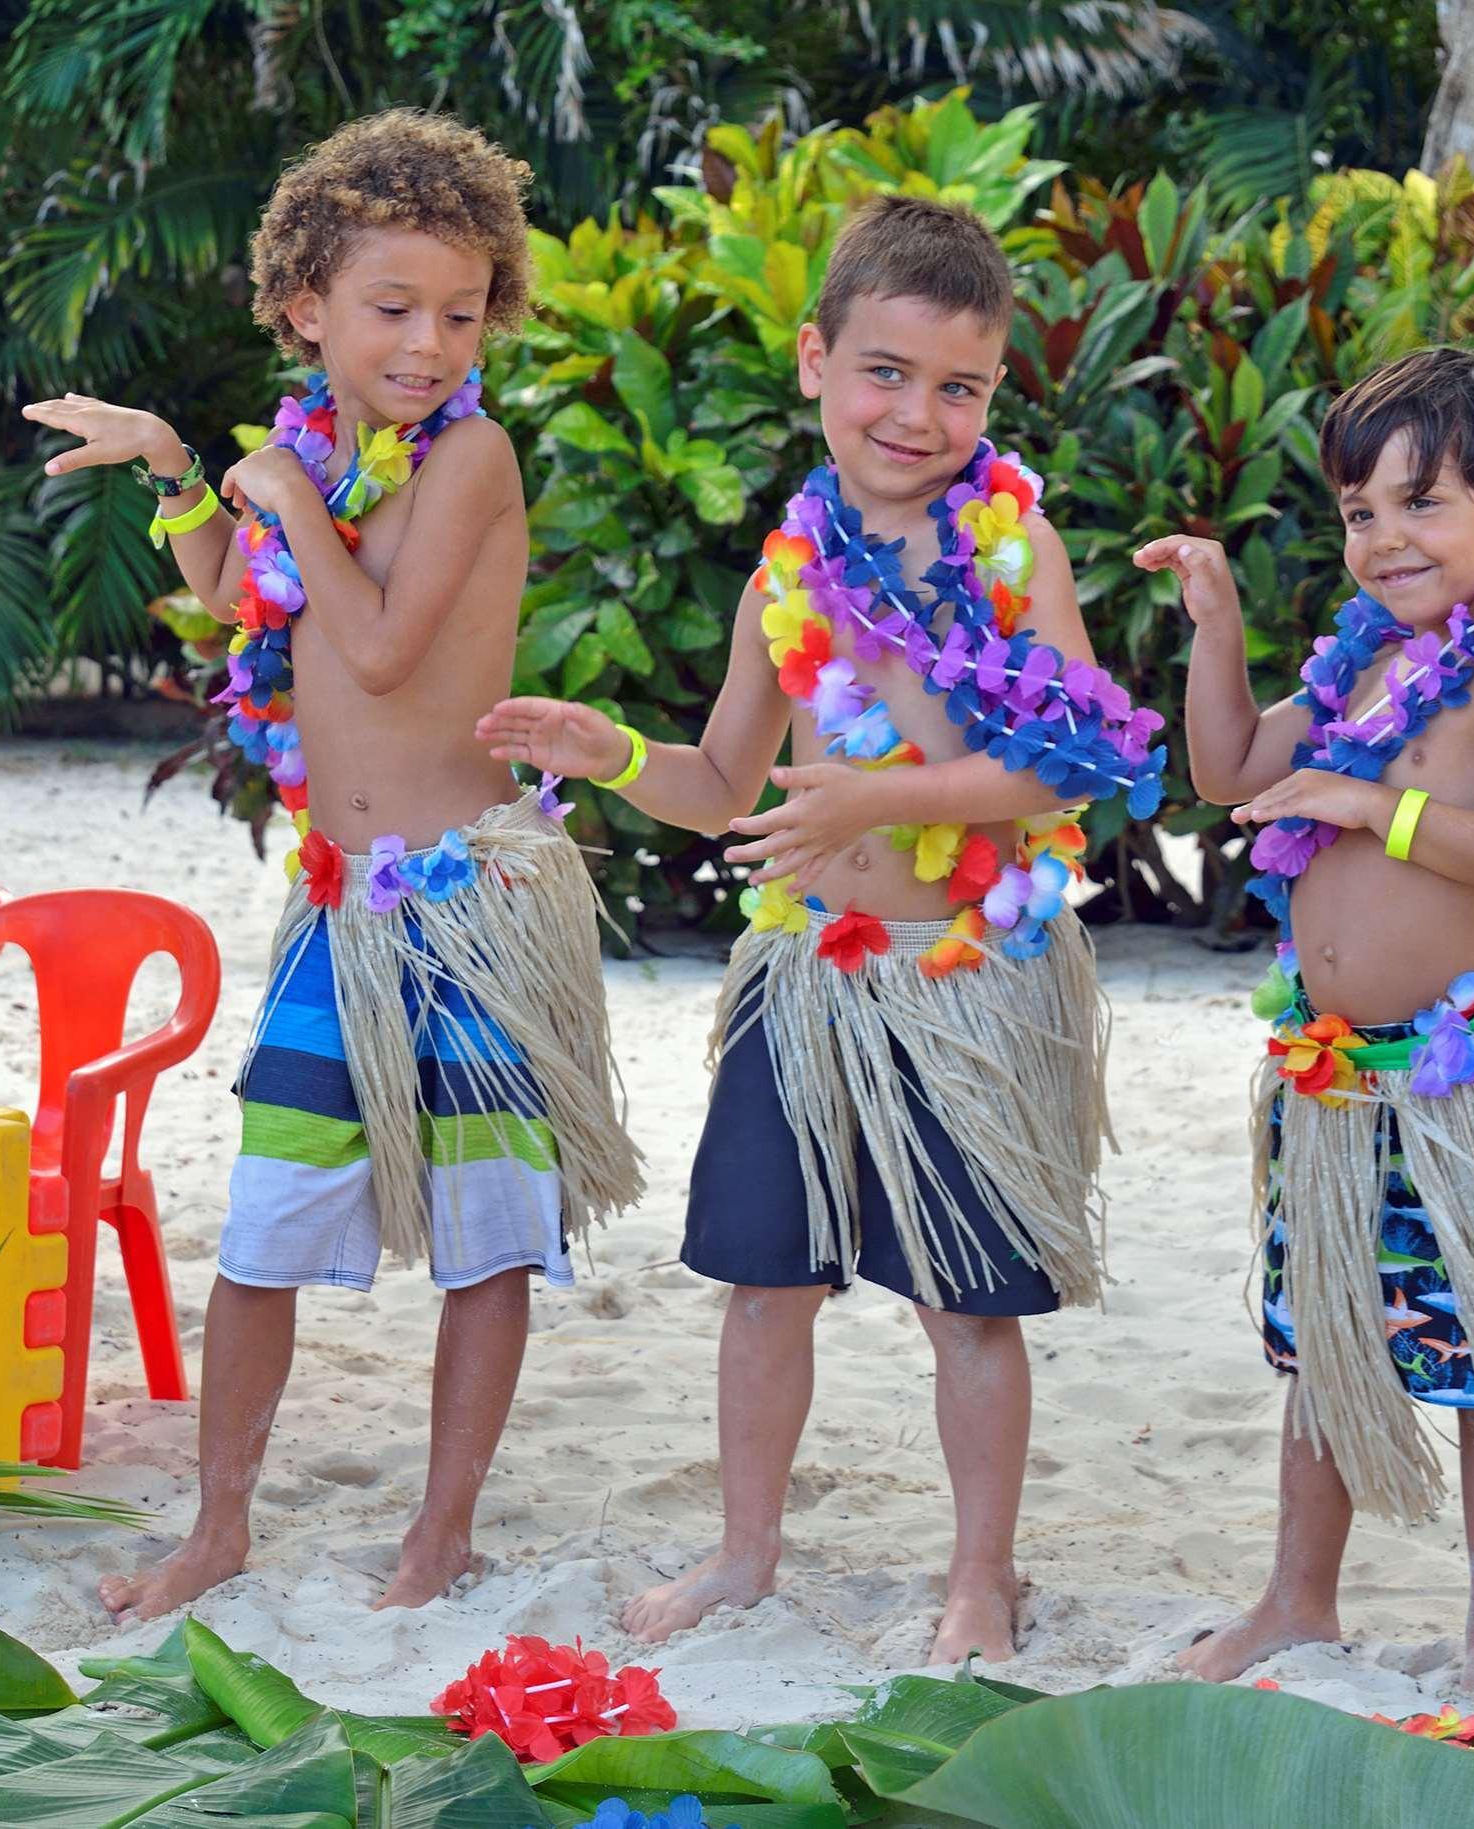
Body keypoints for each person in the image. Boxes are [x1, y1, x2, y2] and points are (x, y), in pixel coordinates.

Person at [482, 195, 1166, 1661]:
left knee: (967, 1307)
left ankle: (980, 1574)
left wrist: (879, 795)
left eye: (958, 386)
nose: (916, 414)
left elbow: (1072, 761)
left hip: (966, 977)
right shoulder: (783, 578)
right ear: (815, 359)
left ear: (991, 394)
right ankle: (745, 1550)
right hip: (806, 977)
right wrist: (606, 750)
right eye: (885, 372)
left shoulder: (1009, 550)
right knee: (761, 1282)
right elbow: (722, 782)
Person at [22, 108, 645, 1623]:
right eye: (390, 310)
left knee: (485, 1241)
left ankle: (441, 1531)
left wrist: (281, 489)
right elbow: (245, 592)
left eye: (457, 311)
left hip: (472, 906)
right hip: (340, 912)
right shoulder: (312, 447)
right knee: (263, 1230)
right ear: (307, 310)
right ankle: (218, 1525)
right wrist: (184, 466)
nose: (427, 342)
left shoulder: (471, 456)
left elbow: (373, 642)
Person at [1146, 343, 1474, 1691]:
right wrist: (1218, 622)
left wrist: (1371, 808)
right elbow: (1229, 765)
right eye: (1361, 511)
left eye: (1423, 503)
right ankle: (1296, 1599)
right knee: (1329, 1338)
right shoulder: (1365, 667)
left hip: (1461, 1082)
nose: (1384, 537)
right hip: (1334, 1080)